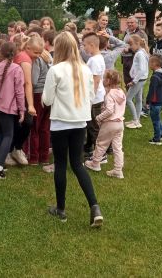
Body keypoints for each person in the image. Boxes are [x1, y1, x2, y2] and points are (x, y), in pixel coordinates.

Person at [42, 32, 104, 227]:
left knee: (61, 165)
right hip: (80, 122)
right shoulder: (85, 69)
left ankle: (61, 209)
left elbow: (47, 100)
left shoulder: (56, 70)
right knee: (77, 164)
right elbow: (92, 96)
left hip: (60, 122)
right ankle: (94, 206)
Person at [0, 42, 25, 179]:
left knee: (0, 132)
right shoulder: (16, 69)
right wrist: (22, 110)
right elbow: (19, 91)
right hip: (5, 106)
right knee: (8, 135)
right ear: (15, 53)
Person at [84, 69, 125, 178]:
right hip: (120, 123)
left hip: (109, 123)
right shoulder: (121, 92)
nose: (102, 80)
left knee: (101, 143)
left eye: (104, 78)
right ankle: (118, 170)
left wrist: (99, 117)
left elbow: (110, 110)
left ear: (108, 81)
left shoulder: (109, 94)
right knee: (117, 147)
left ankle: (95, 163)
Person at [6, 34, 40, 166]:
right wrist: (30, 105)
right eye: (36, 52)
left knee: (20, 123)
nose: (38, 55)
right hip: (17, 95)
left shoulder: (24, 55)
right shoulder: (25, 59)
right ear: (28, 48)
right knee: (25, 122)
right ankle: (12, 150)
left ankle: (15, 149)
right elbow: (28, 83)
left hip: (15, 94)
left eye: (40, 53)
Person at [29, 36, 53, 165]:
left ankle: (34, 157)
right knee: (45, 127)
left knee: (35, 127)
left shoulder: (37, 59)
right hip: (48, 94)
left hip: (38, 93)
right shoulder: (48, 57)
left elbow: (33, 80)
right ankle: (44, 157)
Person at [82, 33, 106, 158]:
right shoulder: (96, 58)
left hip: (95, 98)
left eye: (85, 45)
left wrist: (90, 98)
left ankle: (100, 154)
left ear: (92, 45)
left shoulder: (95, 60)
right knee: (90, 124)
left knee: (93, 126)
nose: (84, 48)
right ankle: (89, 147)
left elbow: (95, 80)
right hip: (96, 96)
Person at [124, 35, 149, 129]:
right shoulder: (142, 52)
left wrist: (134, 81)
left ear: (137, 43)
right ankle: (137, 119)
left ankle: (135, 121)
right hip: (141, 79)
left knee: (128, 99)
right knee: (138, 100)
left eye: (131, 45)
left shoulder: (140, 54)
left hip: (139, 80)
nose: (130, 47)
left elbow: (142, 69)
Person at [145, 55, 162, 145]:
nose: (148, 64)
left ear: (154, 64)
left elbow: (152, 90)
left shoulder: (155, 77)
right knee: (157, 117)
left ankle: (157, 139)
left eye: (149, 62)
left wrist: (148, 101)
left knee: (155, 120)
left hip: (155, 102)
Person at [121, 16, 148, 86]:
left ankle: (135, 92)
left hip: (134, 59)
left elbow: (143, 46)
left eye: (132, 22)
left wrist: (129, 49)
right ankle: (129, 91)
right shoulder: (127, 31)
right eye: (128, 23)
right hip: (125, 58)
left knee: (134, 79)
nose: (129, 24)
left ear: (136, 23)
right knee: (126, 79)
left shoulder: (141, 33)